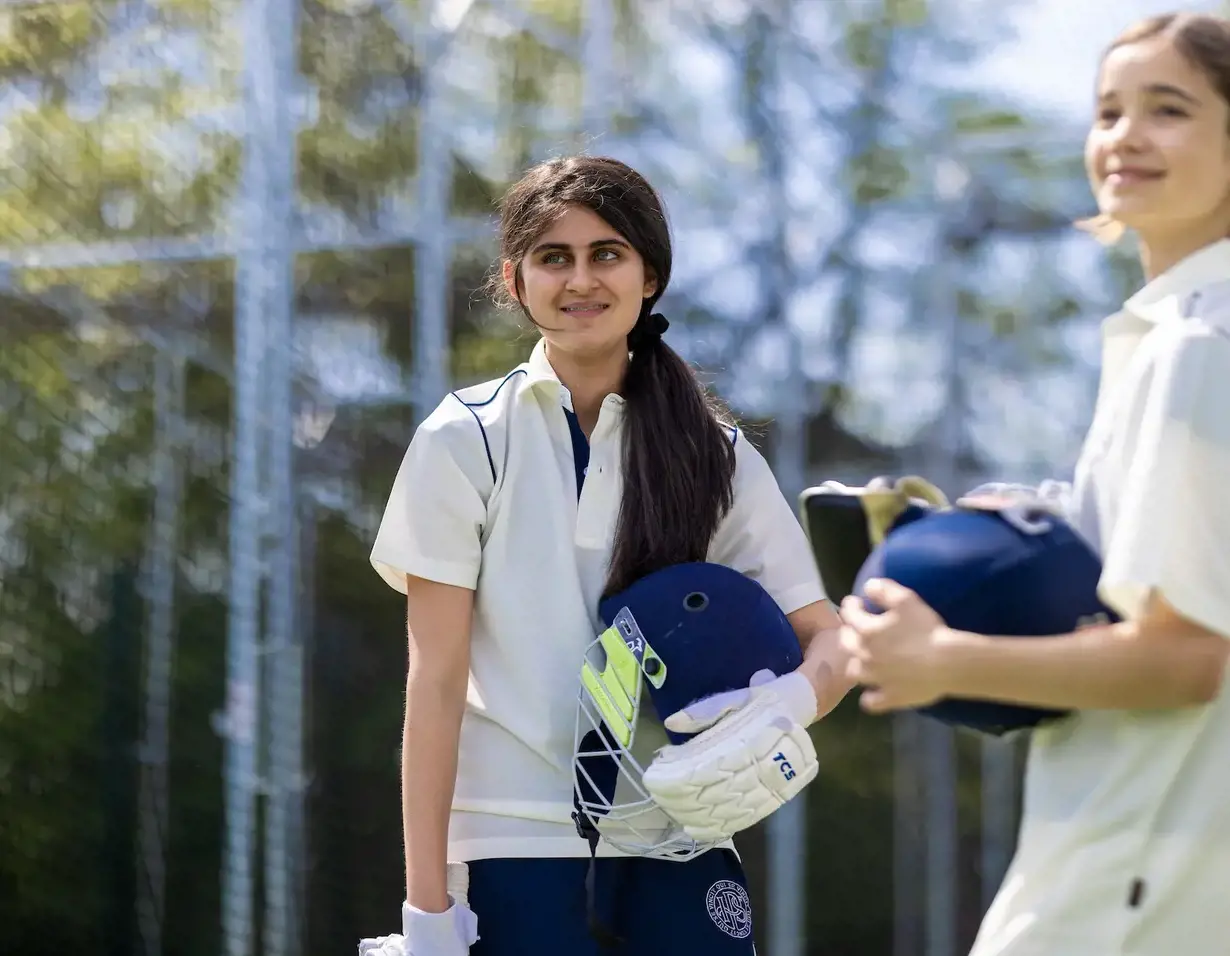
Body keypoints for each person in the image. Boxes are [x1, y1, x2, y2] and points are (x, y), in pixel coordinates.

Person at [644, 11, 1230, 956]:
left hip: (1139, 876)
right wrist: (1015, 525)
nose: (1125, 135)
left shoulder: (1196, 349)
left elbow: (1188, 656)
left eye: (1170, 109)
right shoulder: (1173, 340)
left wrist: (944, 657)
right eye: (1109, 109)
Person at [363, 154, 848, 955]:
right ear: (515, 281)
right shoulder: (464, 439)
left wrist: (785, 707)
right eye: (554, 257)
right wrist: (426, 913)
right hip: (508, 843)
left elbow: (828, 639)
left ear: (649, 276)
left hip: (679, 836)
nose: (580, 279)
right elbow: (436, 681)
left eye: (607, 254)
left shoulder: (715, 456)